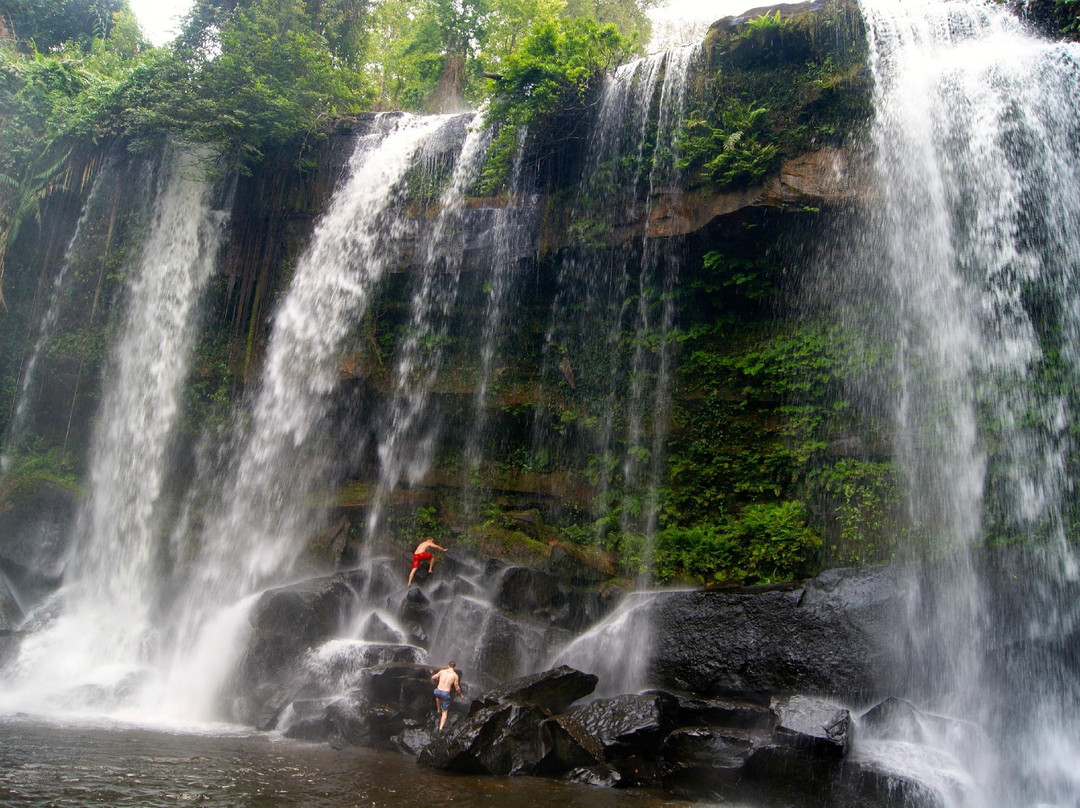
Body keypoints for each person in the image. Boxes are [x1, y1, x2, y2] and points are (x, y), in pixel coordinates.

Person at [431, 661, 462, 731]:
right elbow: (457, 688)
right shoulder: (455, 675)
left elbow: (433, 677)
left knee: (438, 696)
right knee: (444, 713)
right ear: (455, 668)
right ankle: (441, 728)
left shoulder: (442, 671)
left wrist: (437, 680)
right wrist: (460, 695)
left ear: (448, 666)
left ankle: (438, 710)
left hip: (437, 691)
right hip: (445, 693)